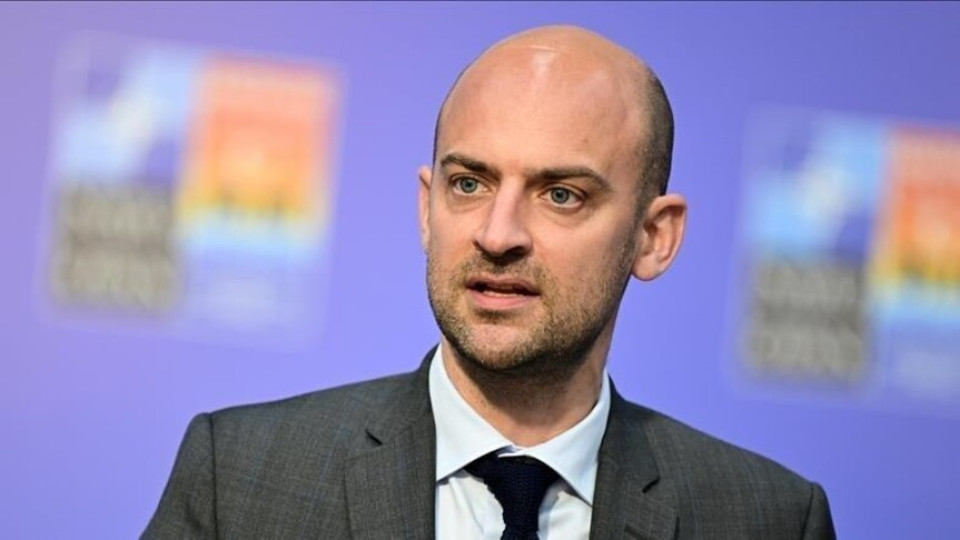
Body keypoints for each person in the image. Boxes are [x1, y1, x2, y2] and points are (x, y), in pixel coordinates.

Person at [143, 25, 836, 539]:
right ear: (427, 208)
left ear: (654, 237)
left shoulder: (767, 520)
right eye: (469, 184)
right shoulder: (243, 478)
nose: (498, 234)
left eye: (561, 195)